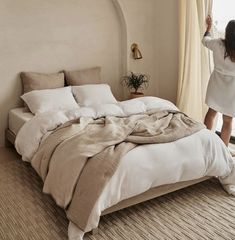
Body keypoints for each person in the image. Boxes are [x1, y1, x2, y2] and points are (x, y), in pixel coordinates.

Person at [203, 16, 235, 151]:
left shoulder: (217, 44)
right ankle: (223, 151)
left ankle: (205, 144)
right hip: (232, 90)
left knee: (211, 113)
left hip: (216, 85)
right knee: (227, 121)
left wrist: (209, 28)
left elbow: (205, 40)